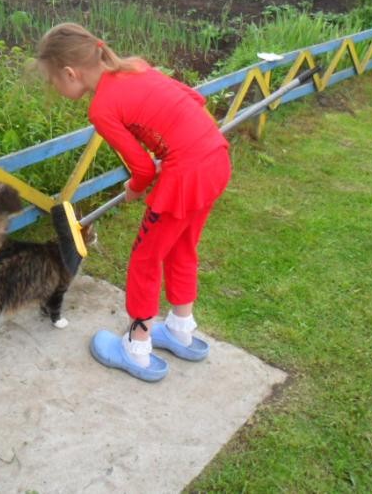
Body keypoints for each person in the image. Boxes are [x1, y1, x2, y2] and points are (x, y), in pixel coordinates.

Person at [37, 23, 232, 382]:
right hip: (215, 158)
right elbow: (193, 100)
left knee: (145, 259)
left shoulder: (102, 108)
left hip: (185, 176)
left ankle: (137, 348)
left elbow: (141, 168)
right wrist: (168, 142)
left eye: (53, 81)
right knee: (182, 247)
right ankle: (180, 330)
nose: (54, 88)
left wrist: (135, 187)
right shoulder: (136, 67)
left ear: (70, 73)